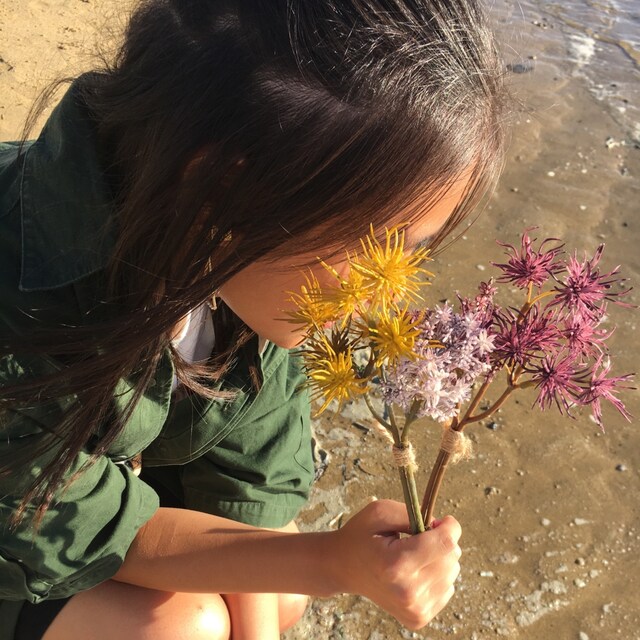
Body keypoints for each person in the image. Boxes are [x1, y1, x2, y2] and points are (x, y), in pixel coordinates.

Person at [0, 1, 507, 638]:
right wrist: (331, 563)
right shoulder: (22, 300)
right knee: (184, 626)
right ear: (222, 186)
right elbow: (64, 522)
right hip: (22, 525)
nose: (385, 294)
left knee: (279, 591)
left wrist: (307, 583)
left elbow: (251, 482)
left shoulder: (239, 252)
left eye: (415, 251)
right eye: (378, 248)